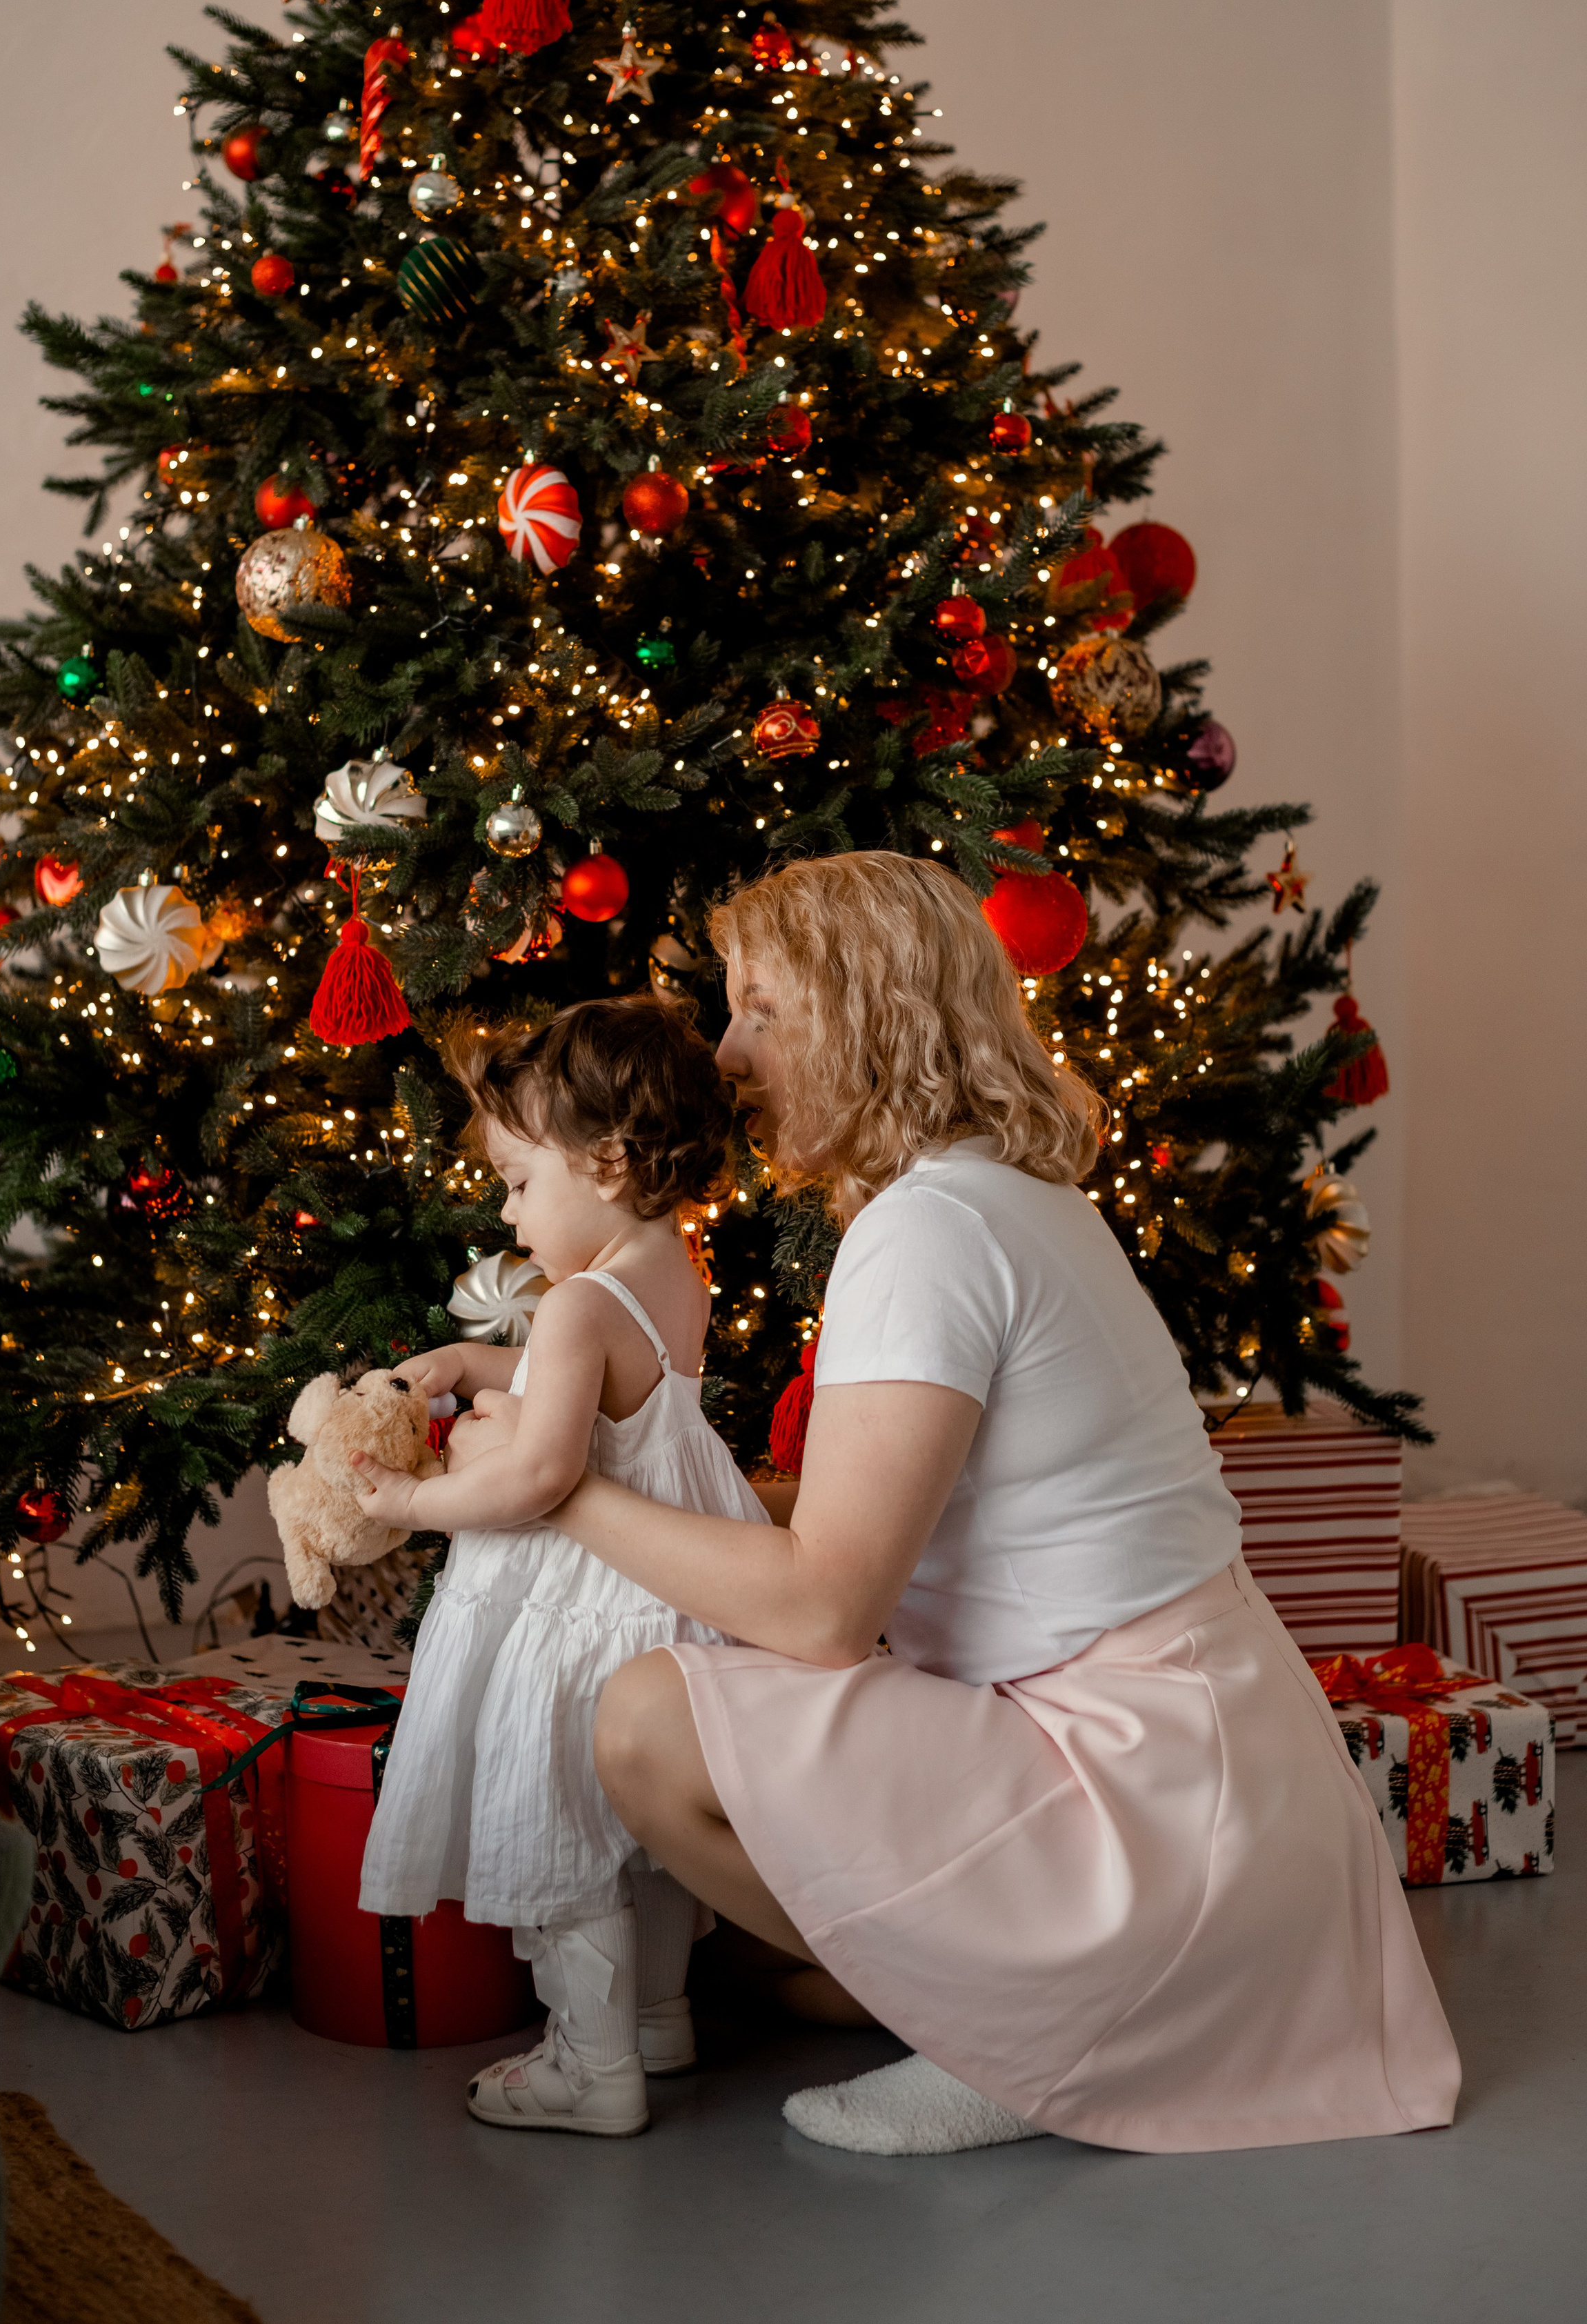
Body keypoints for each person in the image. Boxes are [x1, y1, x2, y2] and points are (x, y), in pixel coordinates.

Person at [462, 851, 1460, 2156]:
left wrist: (555, 1490)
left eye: (763, 1009)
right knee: (773, 1973)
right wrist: (652, 1471)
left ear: (865, 1015)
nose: (729, 1053)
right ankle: (1024, 1991)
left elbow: (824, 1608)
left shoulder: (927, 1234)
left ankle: (1029, 2036)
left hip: (1137, 1787)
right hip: (1208, 1769)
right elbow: (876, 1506)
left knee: (646, 1719)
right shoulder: (1002, 1194)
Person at [353, 993, 768, 2138]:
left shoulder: (581, 1302)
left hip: (579, 1606)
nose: (506, 1210)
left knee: (562, 1822)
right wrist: (472, 1360)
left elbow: (540, 1471)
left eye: (520, 1182)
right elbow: (589, 1380)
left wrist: (411, 1503)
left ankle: (591, 2063)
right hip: (667, 1595)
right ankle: (656, 2020)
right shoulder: (666, 1271)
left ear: (610, 1162)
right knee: (642, 1836)